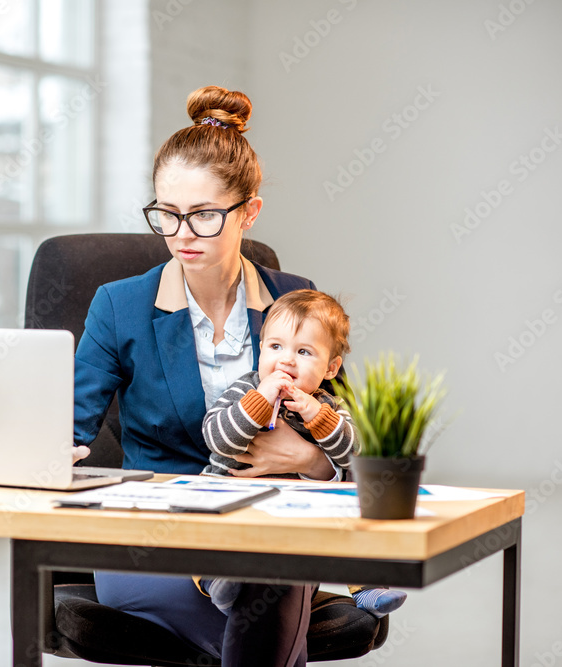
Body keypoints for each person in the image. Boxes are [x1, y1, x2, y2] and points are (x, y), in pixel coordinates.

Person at [71, 85, 338, 666]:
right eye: (166, 214)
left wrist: (306, 461)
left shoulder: (294, 300)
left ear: (250, 212)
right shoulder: (119, 306)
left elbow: (347, 436)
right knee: (269, 594)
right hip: (155, 540)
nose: (181, 233)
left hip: (268, 525)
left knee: (268, 571)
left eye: (204, 215)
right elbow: (68, 426)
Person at [199, 289, 408, 618]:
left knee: (351, 514)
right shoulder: (246, 389)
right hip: (232, 496)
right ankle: (221, 584)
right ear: (261, 351)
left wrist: (318, 418)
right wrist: (259, 400)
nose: (286, 360)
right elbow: (217, 438)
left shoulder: (327, 405)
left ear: (330, 368)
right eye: (276, 347)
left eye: (304, 351)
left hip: (296, 509)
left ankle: (368, 586)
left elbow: (357, 453)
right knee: (205, 535)